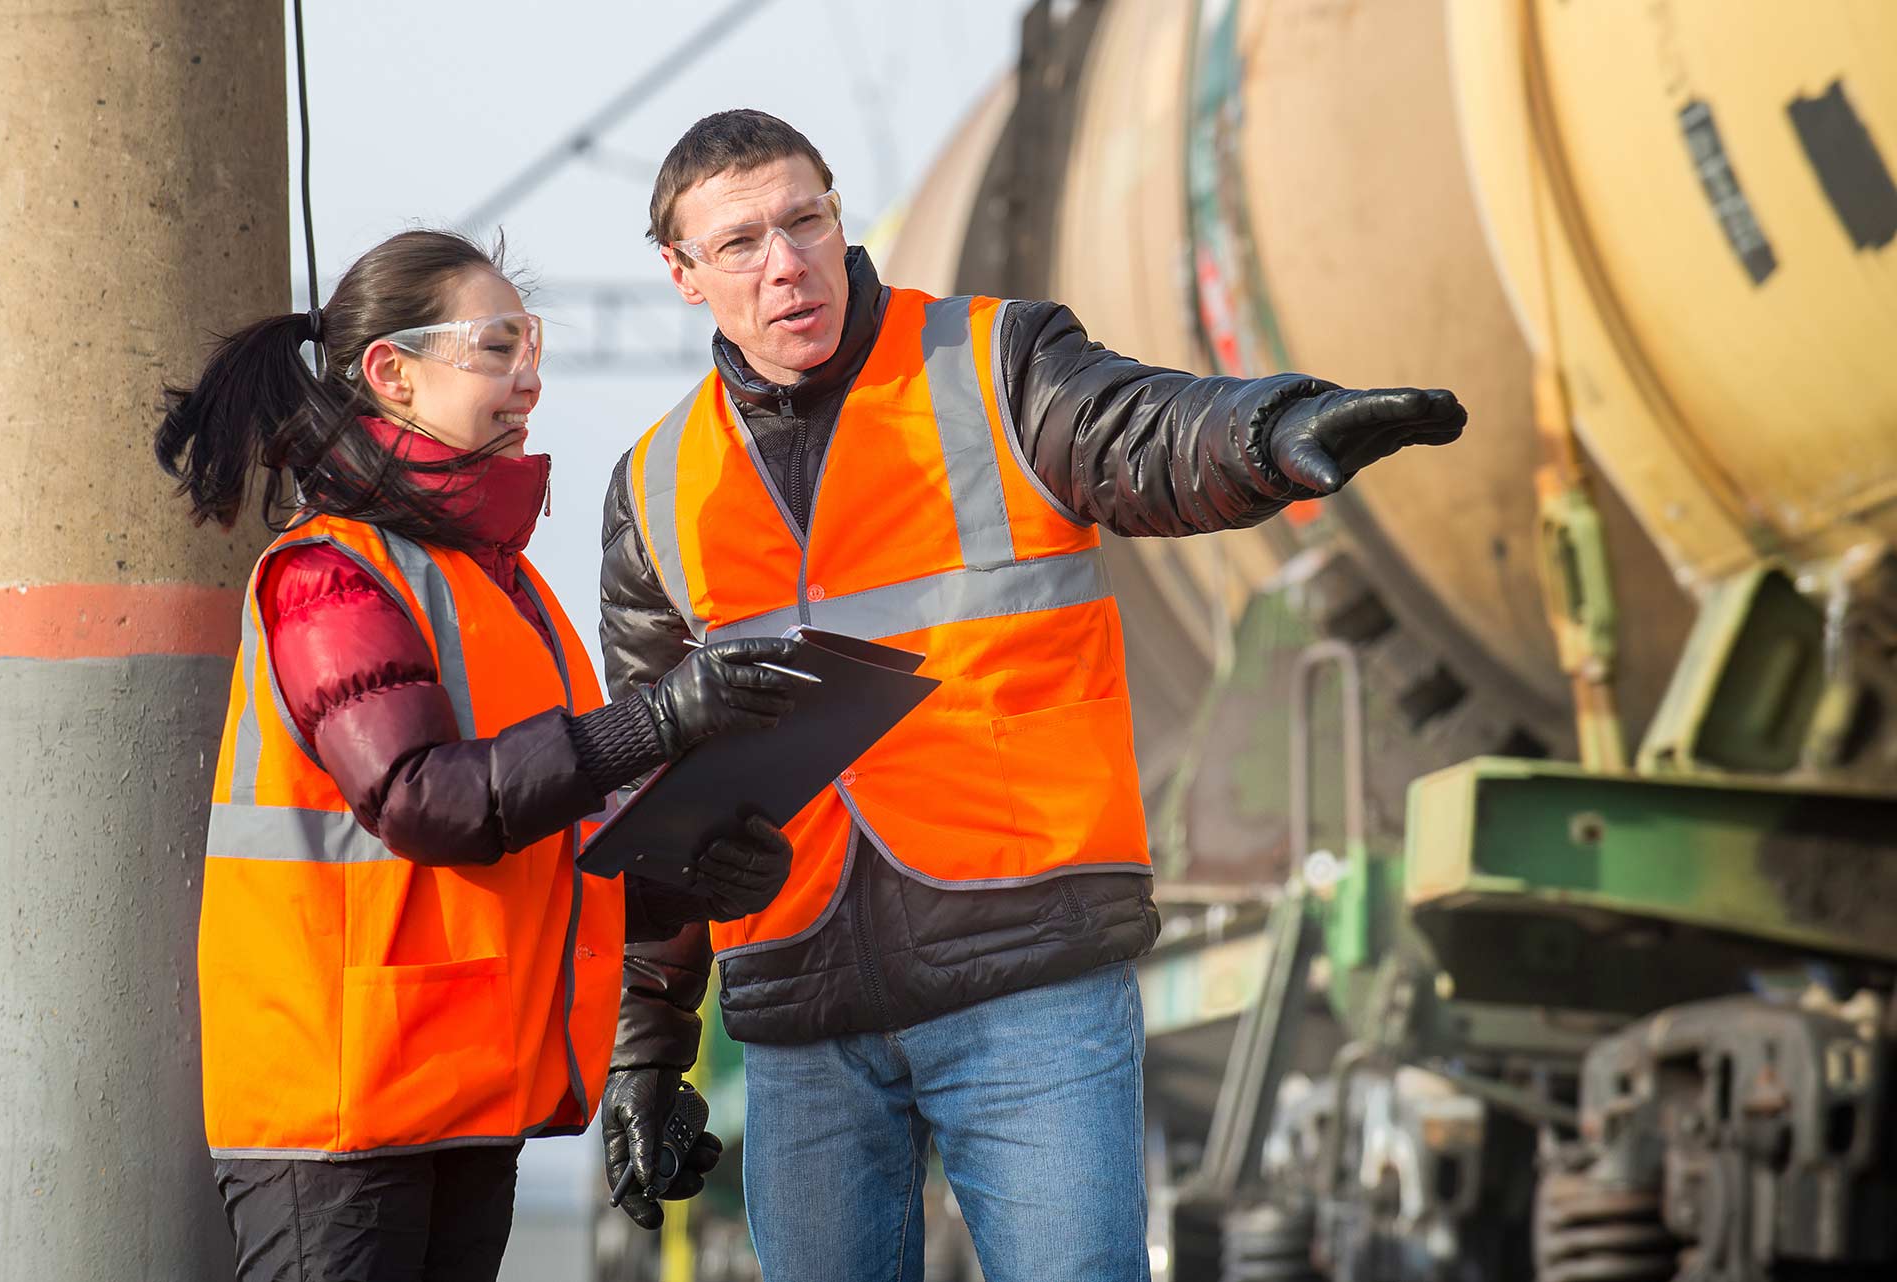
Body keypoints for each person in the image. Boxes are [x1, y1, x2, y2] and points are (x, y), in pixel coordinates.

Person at [597, 111, 1466, 1279]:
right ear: (683, 274)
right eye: (741, 241)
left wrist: (1268, 428)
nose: (785, 262)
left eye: (804, 220)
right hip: (801, 1015)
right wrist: (648, 1051)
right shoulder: (655, 486)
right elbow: (660, 795)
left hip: (1025, 979)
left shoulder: (992, 361)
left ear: (838, 214)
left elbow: (1140, 429)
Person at [155, 228, 803, 1282]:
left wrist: (679, 890)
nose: (529, 384)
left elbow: (529, 843)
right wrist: (657, 723)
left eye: (531, 347)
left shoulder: (509, 589)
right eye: (497, 349)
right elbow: (424, 802)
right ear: (391, 371)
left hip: (460, 1093)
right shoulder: (331, 575)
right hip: (341, 1107)